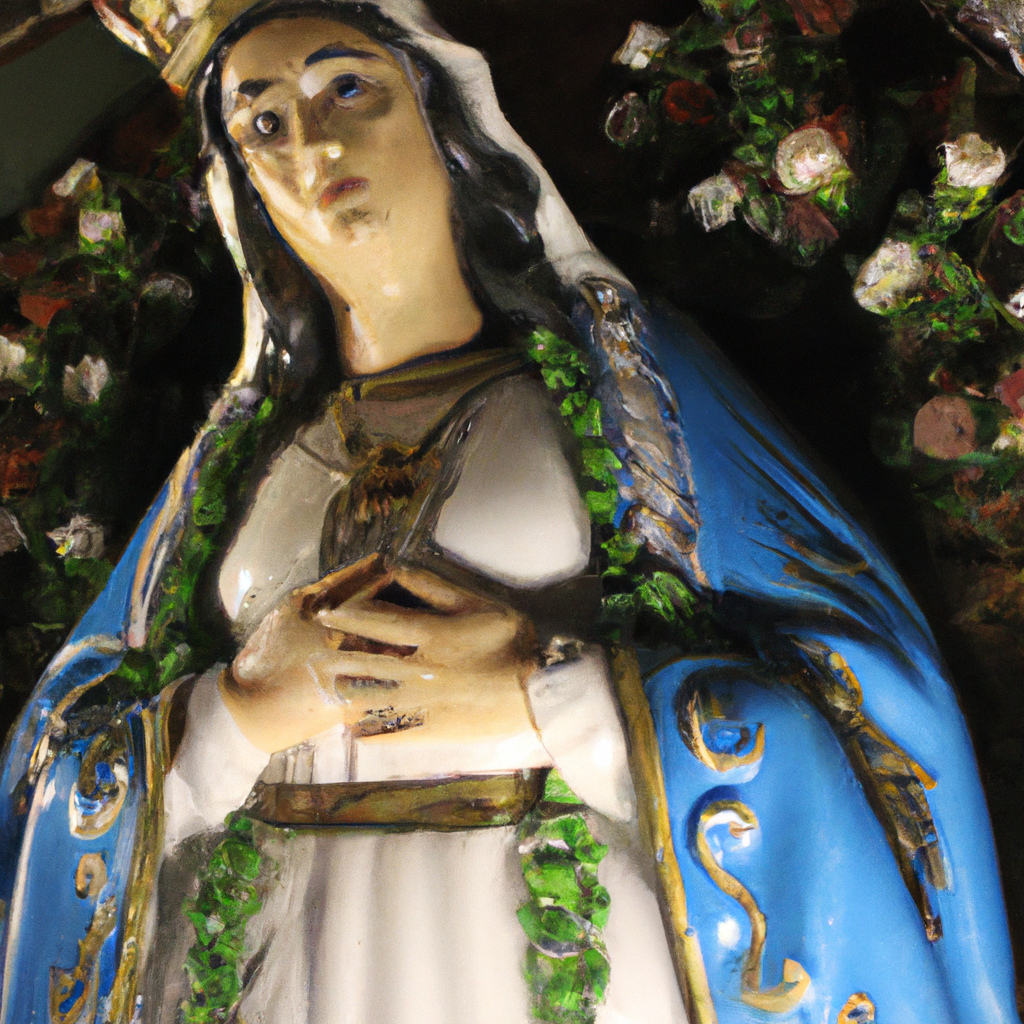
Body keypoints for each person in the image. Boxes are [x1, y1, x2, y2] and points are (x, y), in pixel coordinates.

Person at [0, 1, 1018, 1022]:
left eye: (349, 88)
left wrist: (553, 698)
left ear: (444, 112)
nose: (312, 144)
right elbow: (63, 748)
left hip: (552, 949)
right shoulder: (234, 458)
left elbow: (863, 686)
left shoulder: (634, 390)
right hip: (271, 964)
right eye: (263, 122)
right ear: (242, 185)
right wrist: (234, 714)